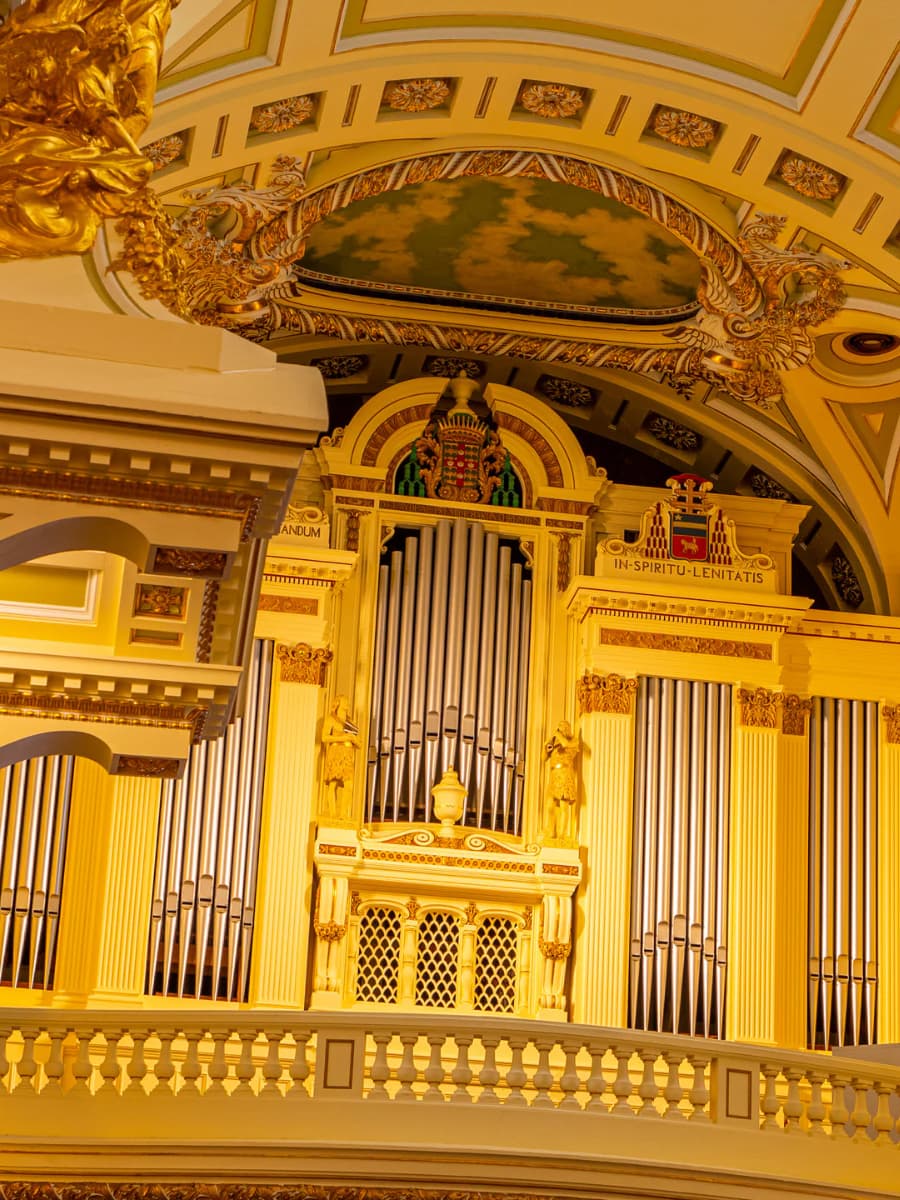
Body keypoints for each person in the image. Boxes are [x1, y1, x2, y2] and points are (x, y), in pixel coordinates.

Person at [321, 695, 359, 819]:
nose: (347, 703)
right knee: (333, 784)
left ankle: (343, 814)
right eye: (345, 701)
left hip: (347, 754)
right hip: (336, 751)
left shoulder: (350, 721)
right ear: (338, 703)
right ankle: (333, 814)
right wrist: (343, 738)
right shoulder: (330, 719)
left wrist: (355, 740)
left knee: (349, 785)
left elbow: (359, 743)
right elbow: (324, 737)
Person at [544, 719, 579, 841]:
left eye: (562, 727)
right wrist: (546, 747)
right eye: (559, 728)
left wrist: (558, 735)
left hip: (565, 774)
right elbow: (544, 758)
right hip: (554, 776)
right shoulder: (555, 745)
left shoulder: (573, 742)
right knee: (549, 806)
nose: (559, 730)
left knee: (564, 806)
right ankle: (552, 832)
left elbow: (566, 744)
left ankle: (562, 835)